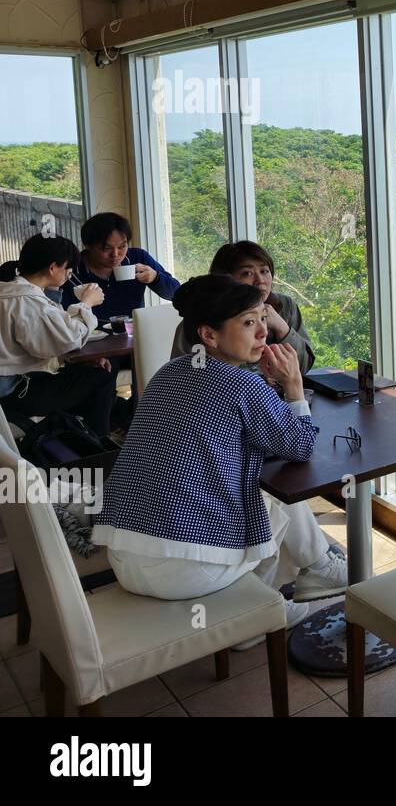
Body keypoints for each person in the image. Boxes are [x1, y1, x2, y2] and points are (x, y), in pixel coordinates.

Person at [91, 275, 347, 640]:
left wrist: (268, 392)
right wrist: (293, 387)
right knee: (270, 504)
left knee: (261, 497)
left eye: (262, 319)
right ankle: (253, 618)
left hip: (123, 556)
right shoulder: (242, 384)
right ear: (209, 335)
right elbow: (300, 446)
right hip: (182, 571)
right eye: (248, 322)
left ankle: (289, 585)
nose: (262, 333)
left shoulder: (168, 372)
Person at [0, 234, 117, 438]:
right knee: (103, 377)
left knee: (89, 374)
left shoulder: (10, 291)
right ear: (53, 268)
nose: (69, 274)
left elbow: (52, 334)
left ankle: (73, 439)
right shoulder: (28, 301)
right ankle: (97, 446)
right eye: (68, 269)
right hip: (16, 392)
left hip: (13, 385)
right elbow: (67, 340)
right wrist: (87, 303)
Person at [172, 240, 314, 375]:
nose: (260, 281)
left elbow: (303, 367)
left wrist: (282, 328)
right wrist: (258, 378)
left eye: (264, 271)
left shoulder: (286, 306)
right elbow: (185, 377)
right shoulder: (200, 319)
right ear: (224, 280)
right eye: (248, 273)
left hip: (279, 396)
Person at [61, 211, 179, 323]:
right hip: (87, 339)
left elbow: (177, 294)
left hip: (131, 336)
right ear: (88, 246)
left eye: (122, 246)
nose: (115, 254)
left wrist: (155, 278)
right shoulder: (70, 270)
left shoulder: (137, 257)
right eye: (107, 248)